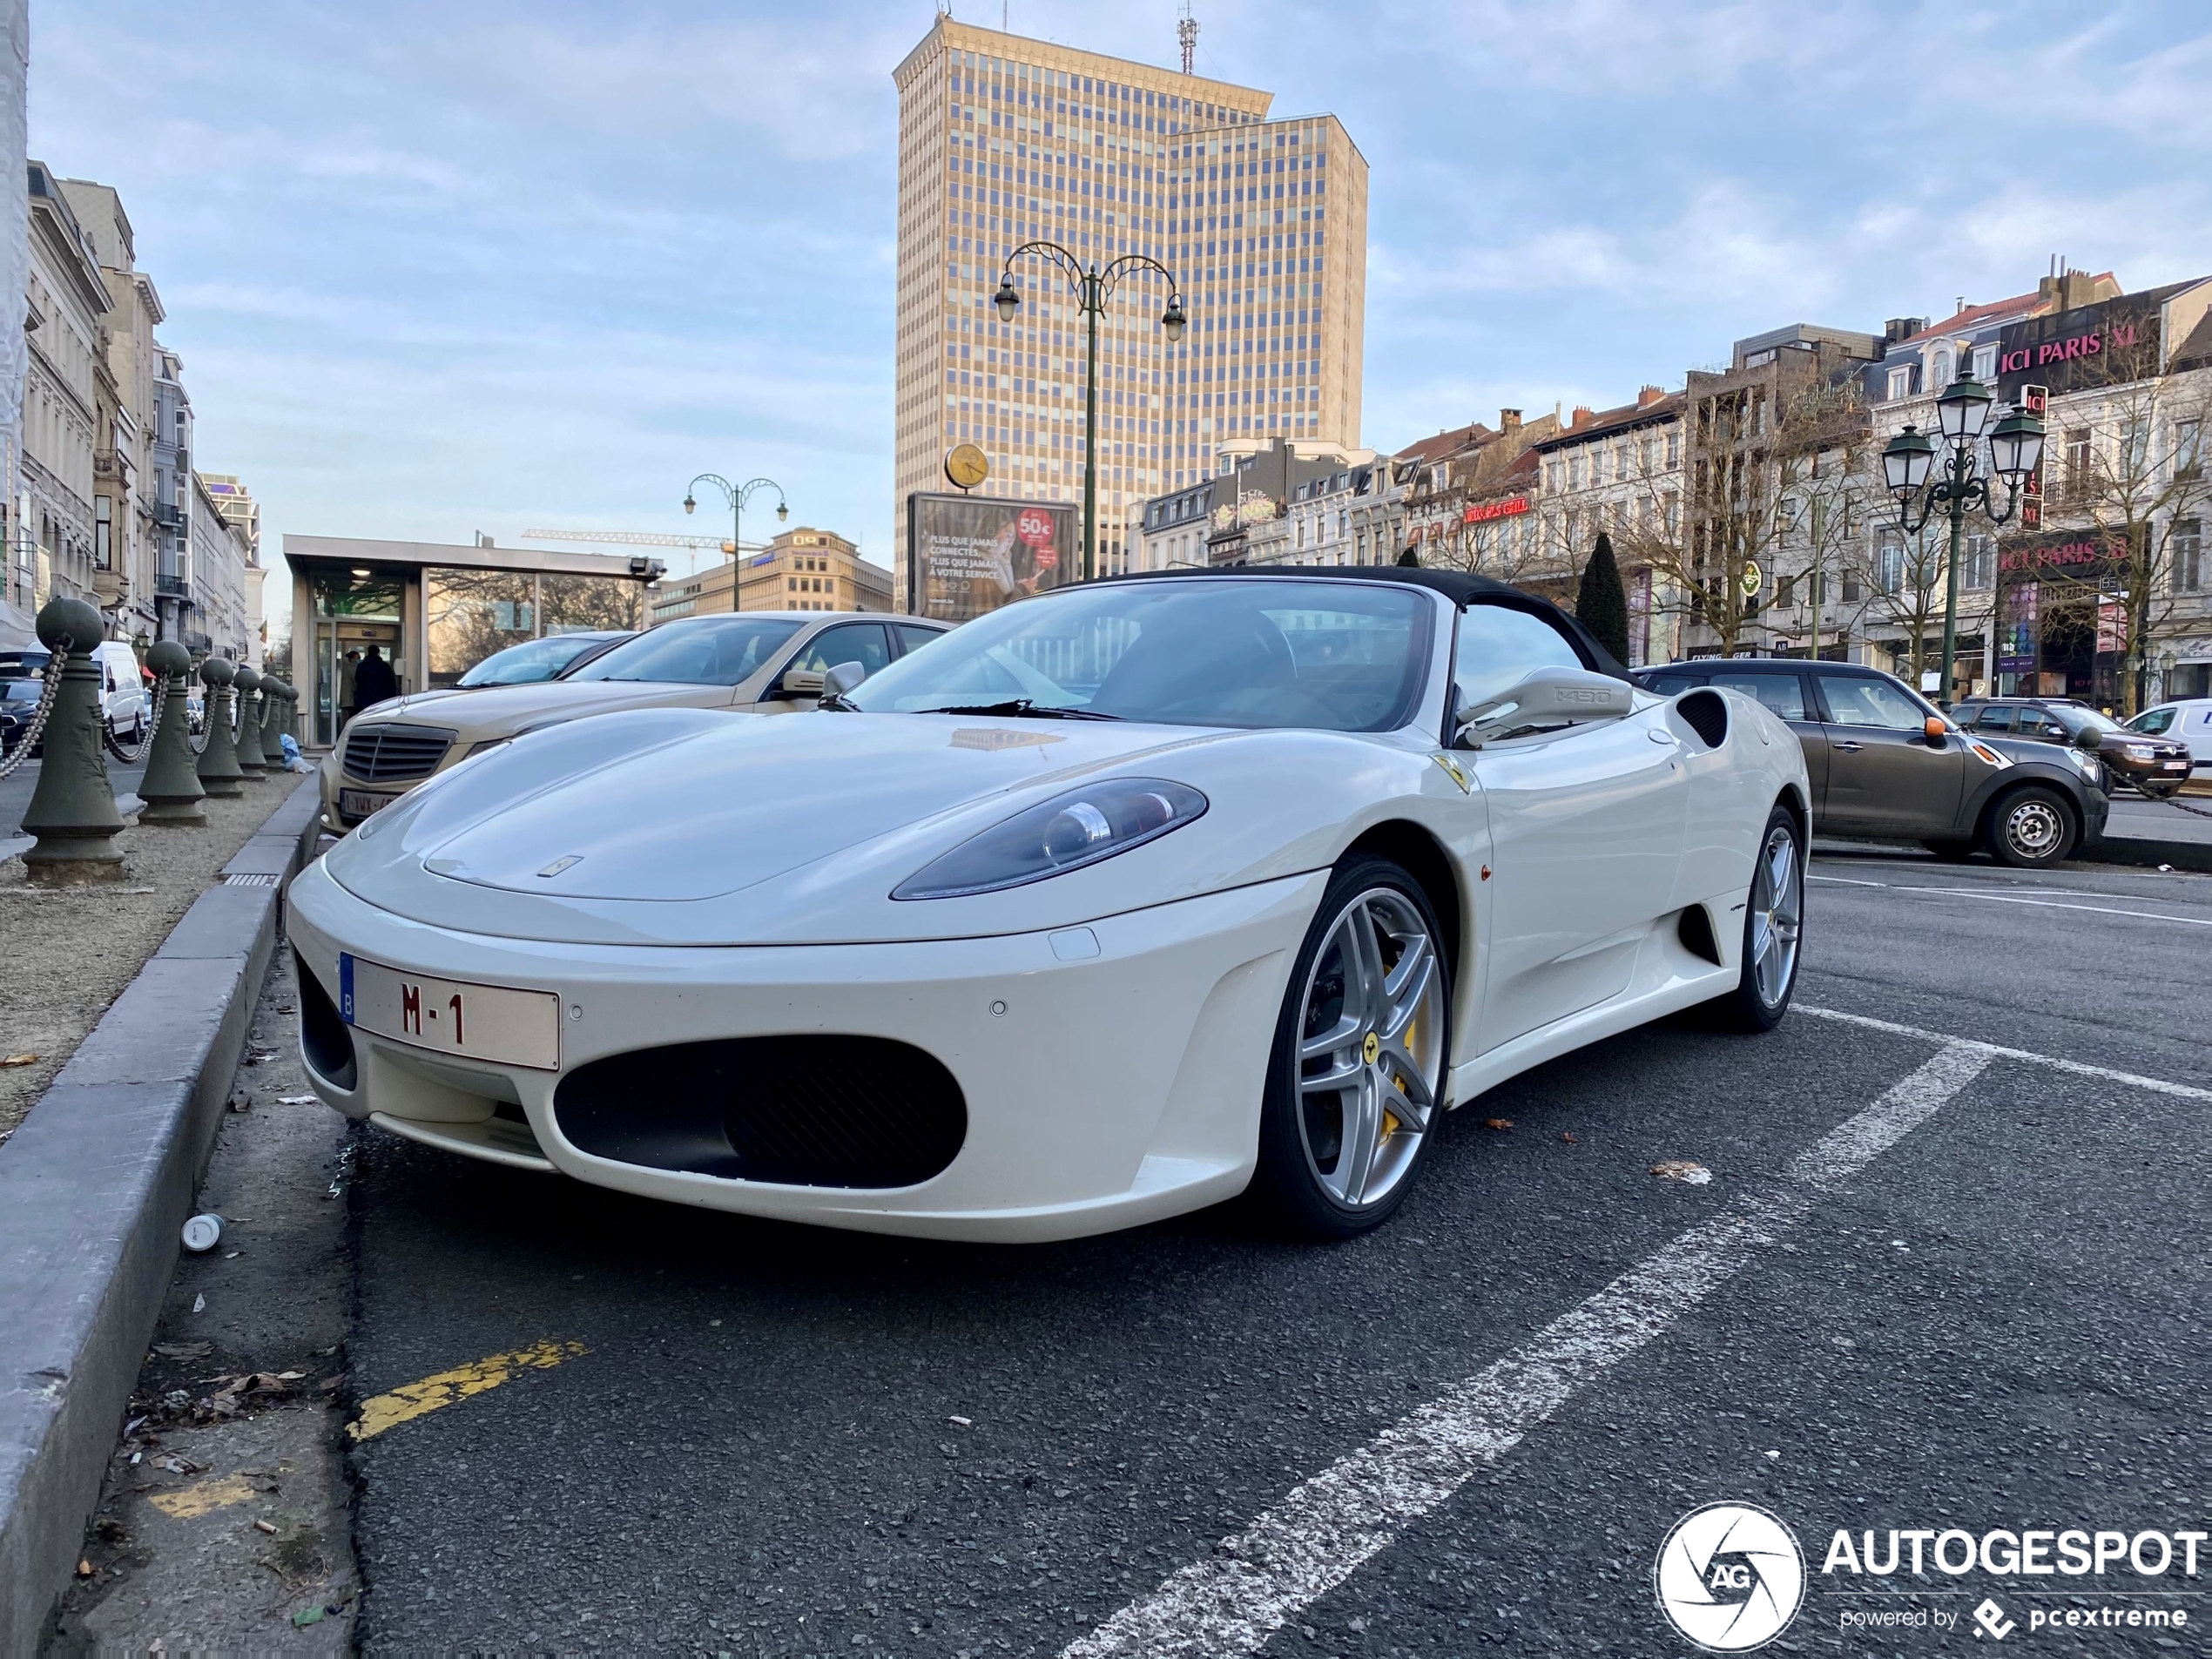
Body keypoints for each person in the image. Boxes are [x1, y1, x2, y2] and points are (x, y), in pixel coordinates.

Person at [353, 644, 398, 714]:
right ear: (378, 652)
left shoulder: (361, 666)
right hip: (382, 700)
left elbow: (357, 680)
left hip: (365, 699)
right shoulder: (384, 666)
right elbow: (391, 684)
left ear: (368, 652)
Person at [339, 649, 361, 726]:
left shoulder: (345, 666)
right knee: (349, 717)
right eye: (357, 659)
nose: (358, 661)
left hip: (347, 697)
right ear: (351, 658)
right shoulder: (351, 667)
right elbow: (356, 680)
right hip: (350, 697)